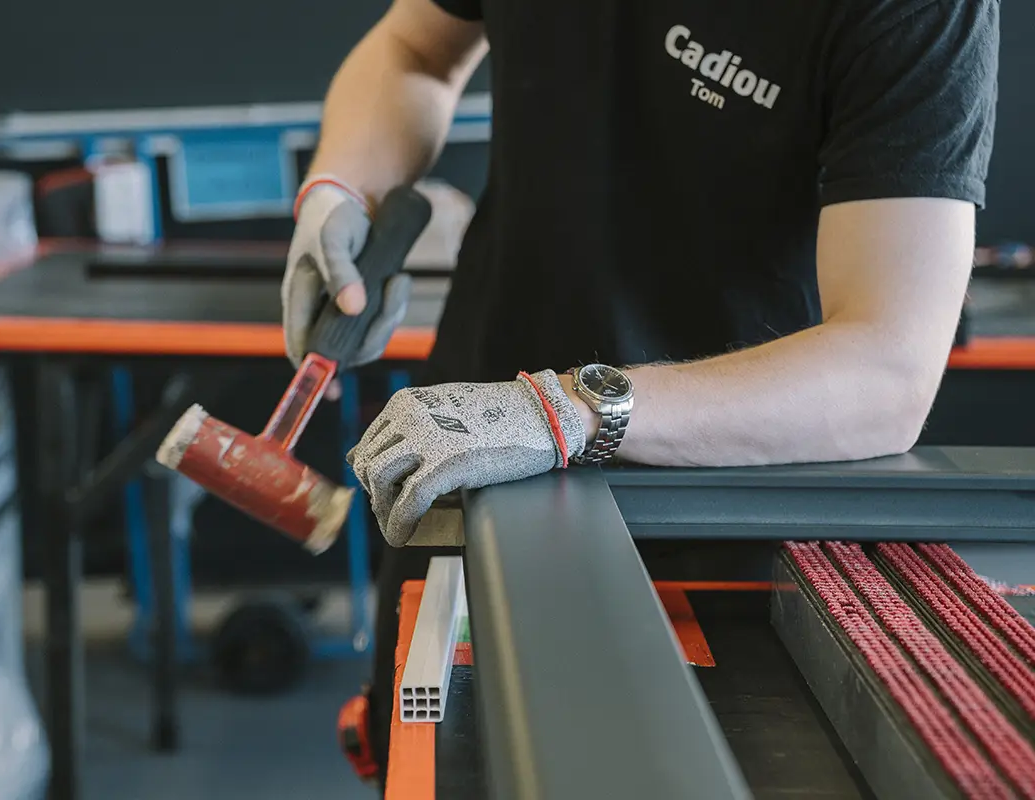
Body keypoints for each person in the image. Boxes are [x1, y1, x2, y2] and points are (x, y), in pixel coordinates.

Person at [280, 0, 1000, 779]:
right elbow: (416, 48)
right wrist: (345, 187)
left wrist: (569, 410)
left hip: (715, 520)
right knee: (434, 764)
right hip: (464, 467)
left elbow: (886, 373)